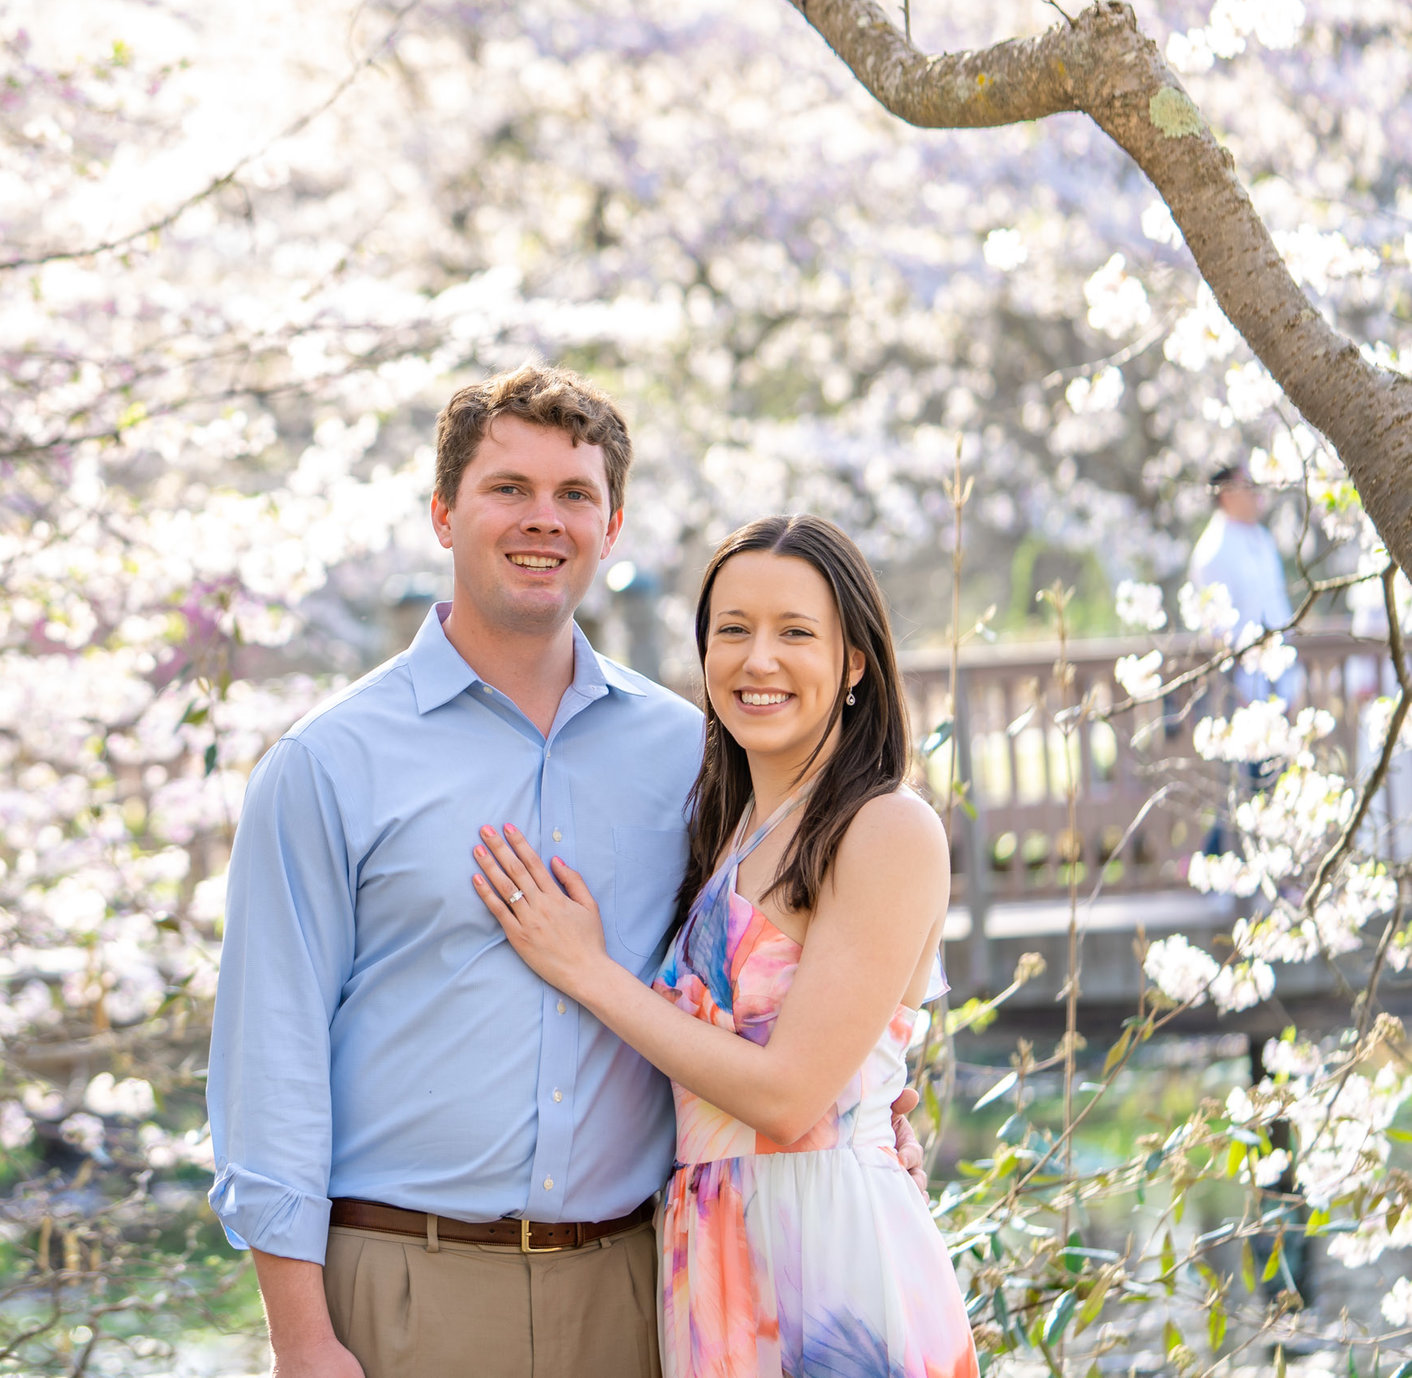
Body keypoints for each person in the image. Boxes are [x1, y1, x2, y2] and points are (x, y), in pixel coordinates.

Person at [207, 368, 922, 1378]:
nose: (542, 520)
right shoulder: (327, 764)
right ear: (443, 514)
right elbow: (266, 1062)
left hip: (636, 1289)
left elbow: (791, 962)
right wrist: (301, 1338)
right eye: (508, 488)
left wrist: (877, 1098)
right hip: (405, 1283)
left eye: (574, 495)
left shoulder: (692, 760)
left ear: (612, 525)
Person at [474, 515, 976, 1378]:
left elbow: (788, 1099)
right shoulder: (730, 827)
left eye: (796, 633)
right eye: (733, 631)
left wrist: (588, 972)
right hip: (711, 1251)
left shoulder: (887, 828)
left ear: (854, 662)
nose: (759, 660)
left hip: (828, 1254)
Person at [1188, 463, 1298, 705]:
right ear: (1227, 494)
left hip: (1283, 666)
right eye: (1247, 486)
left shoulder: (1263, 537)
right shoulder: (1212, 550)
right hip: (1244, 679)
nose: (1256, 493)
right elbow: (1217, 627)